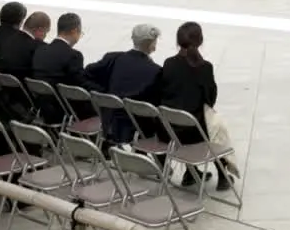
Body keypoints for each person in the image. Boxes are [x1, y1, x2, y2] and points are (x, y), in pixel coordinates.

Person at [162, 22, 236, 190]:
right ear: (200, 41)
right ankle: (222, 175)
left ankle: (191, 172)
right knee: (215, 126)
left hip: (170, 129)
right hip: (195, 131)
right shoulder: (205, 67)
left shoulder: (168, 64)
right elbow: (210, 99)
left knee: (187, 118)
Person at [85, 23, 164, 143]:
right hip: (136, 127)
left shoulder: (113, 58)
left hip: (109, 120)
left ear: (133, 39)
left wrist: (104, 92)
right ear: (153, 44)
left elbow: (88, 72)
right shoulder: (155, 71)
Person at [30, 13, 96, 121]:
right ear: (74, 31)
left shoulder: (41, 50)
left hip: (43, 105)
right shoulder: (73, 55)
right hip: (63, 108)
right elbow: (80, 84)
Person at [0, 10, 49, 80]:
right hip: (23, 84)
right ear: (40, 30)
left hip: (3, 82)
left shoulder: (9, 38)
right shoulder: (38, 47)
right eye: (46, 32)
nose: (45, 36)